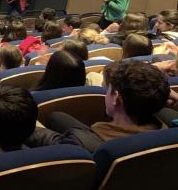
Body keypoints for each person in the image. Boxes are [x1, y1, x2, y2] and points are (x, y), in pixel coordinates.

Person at [29, 59, 169, 152]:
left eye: (108, 89)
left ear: (116, 98)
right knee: (57, 117)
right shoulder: (167, 128)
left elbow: (39, 138)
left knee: (54, 117)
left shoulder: (81, 142)